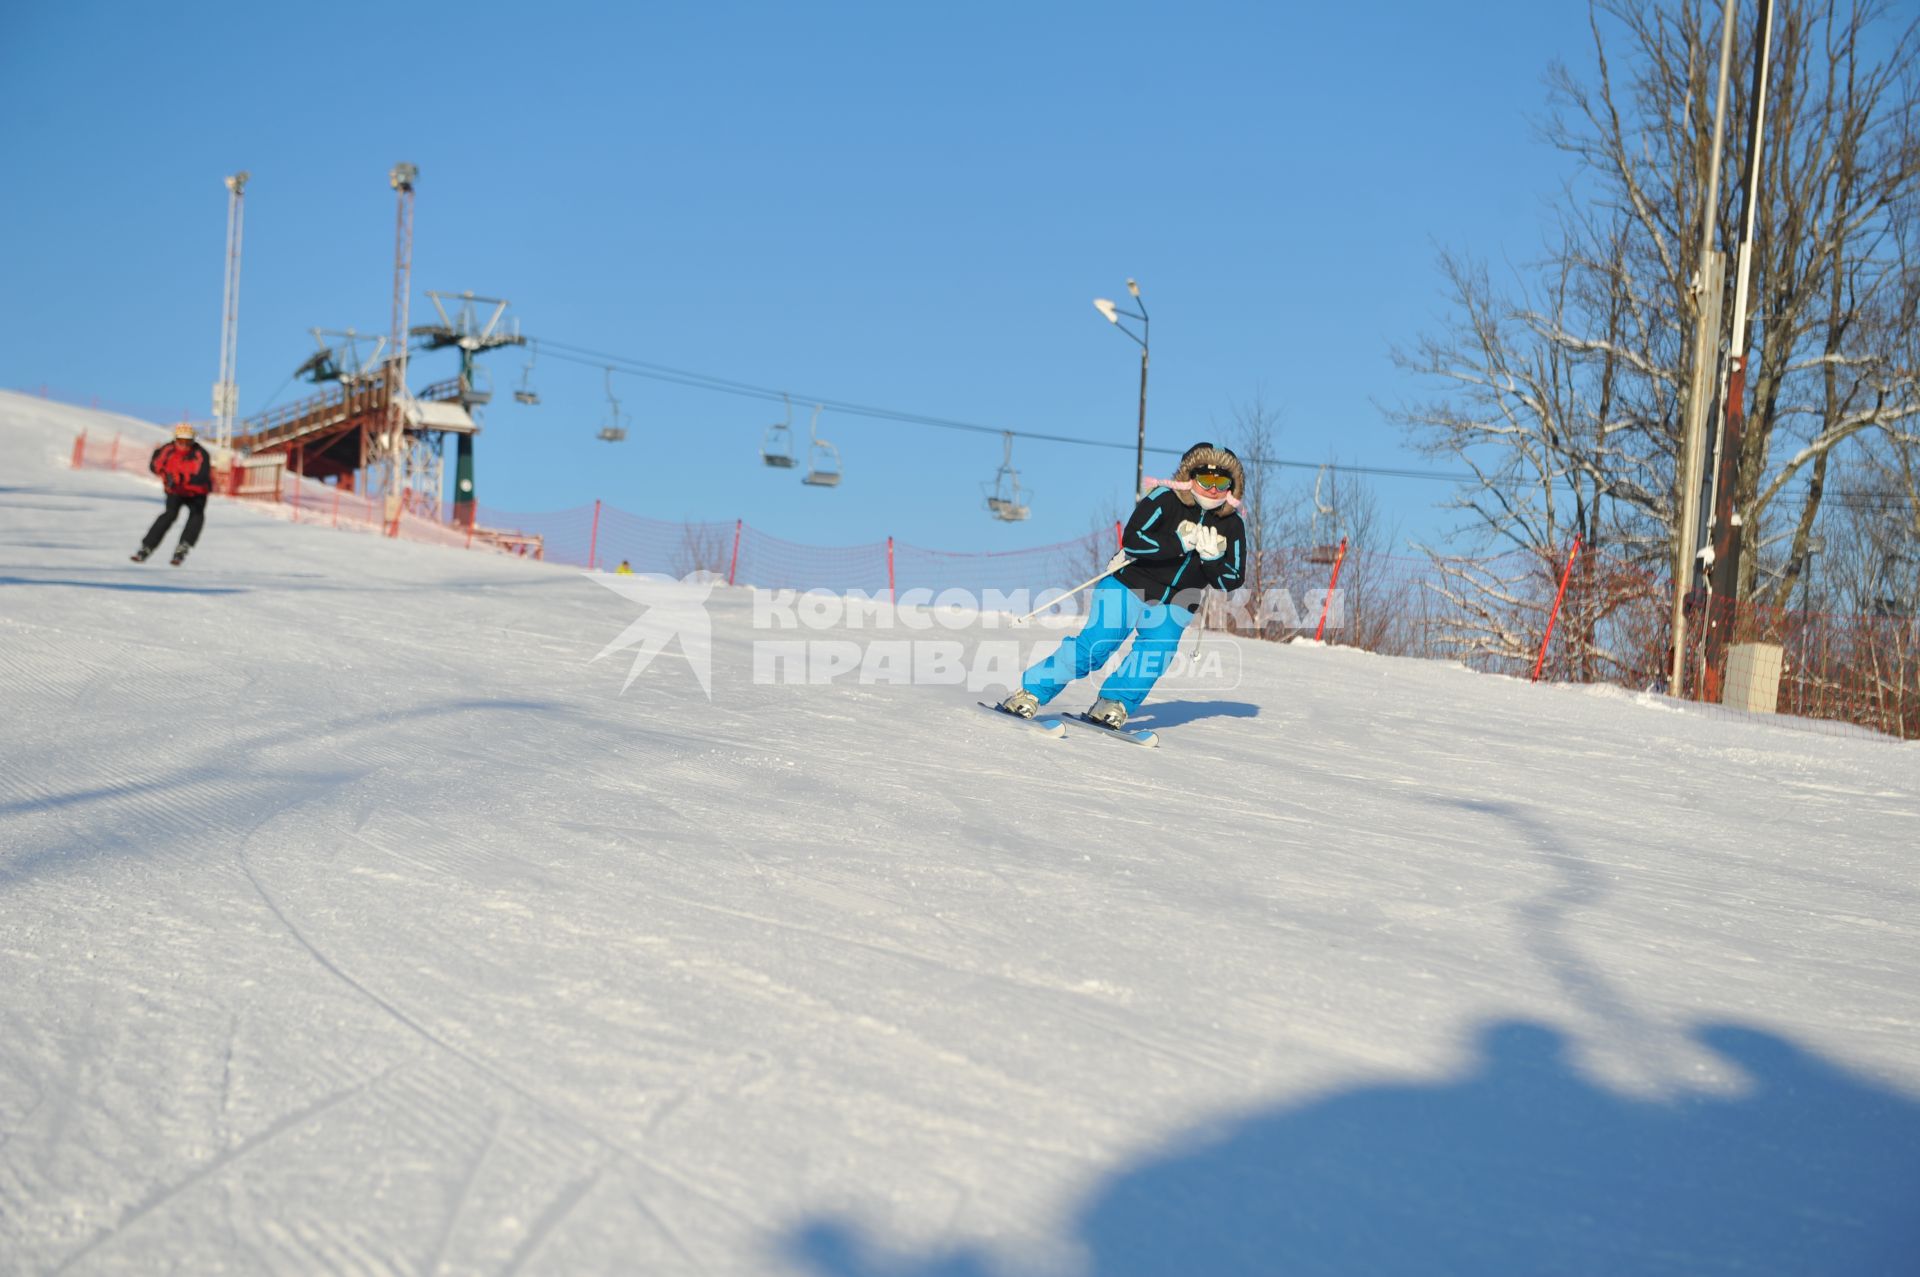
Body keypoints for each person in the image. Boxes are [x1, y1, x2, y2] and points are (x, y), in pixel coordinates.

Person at [1002, 441, 1247, 729]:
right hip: (1129, 584)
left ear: (1232, 487)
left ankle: (1113, 702)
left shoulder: (1232, 525)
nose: (1213, 489)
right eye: (1206, 479)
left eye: (1222, 482)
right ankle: (1031, 692)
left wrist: (1212, 559)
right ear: (1190, 477)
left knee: (1154, 656)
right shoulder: (1166, 499)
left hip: (1178, 602)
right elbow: (1133, 539)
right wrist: (1178, 543)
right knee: (1095, 646)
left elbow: (1231, 579)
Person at [132, 423, 214, 566]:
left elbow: (202, 474)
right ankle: (147, 546)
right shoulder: (167, 449)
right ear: (175, 439)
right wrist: (166, 474)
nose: (184, 445)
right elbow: (154, 465)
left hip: (197, 492)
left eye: (188, 442)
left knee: (197, 515)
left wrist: (181, 478)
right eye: (180, 441)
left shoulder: (201, 453)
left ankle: (184, 545)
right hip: (175, 491)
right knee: (169, 514)